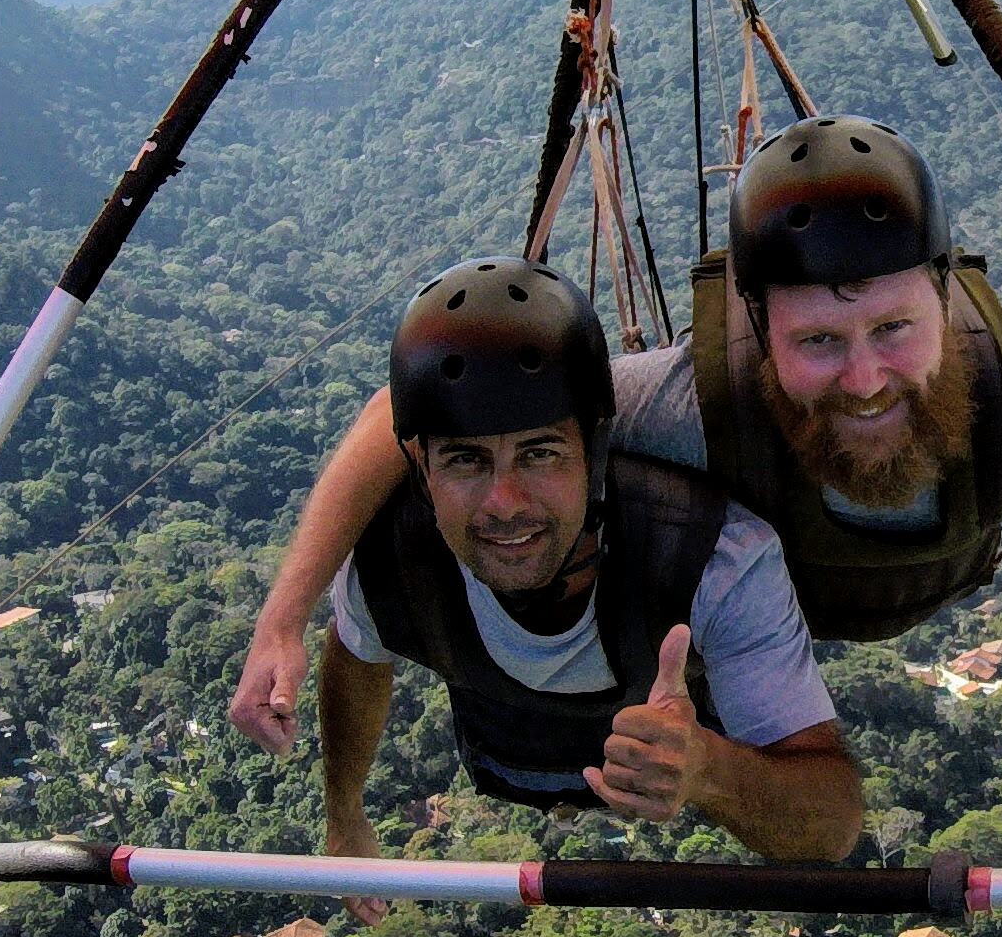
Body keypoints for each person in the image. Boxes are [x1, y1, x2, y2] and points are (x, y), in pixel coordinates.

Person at [234, 117, 1002, 755]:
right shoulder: (686, 405)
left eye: (894, 330)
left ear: (945, 297)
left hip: (925, 587)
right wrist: (286, 618)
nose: (865, 380)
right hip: (756, 639)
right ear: (757, 328)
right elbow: (403, 418)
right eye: (818, 342)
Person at [308, 259, 862, 898]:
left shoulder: (715, 559)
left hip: (648, 732)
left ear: (595, 449)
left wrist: (708, 768)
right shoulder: (391, 558)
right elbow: (355, 653)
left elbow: (832, 826)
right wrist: (345, 814)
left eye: (540, 453)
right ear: (420, 466)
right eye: (466, 460)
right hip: (507, 757)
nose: (505, 502)